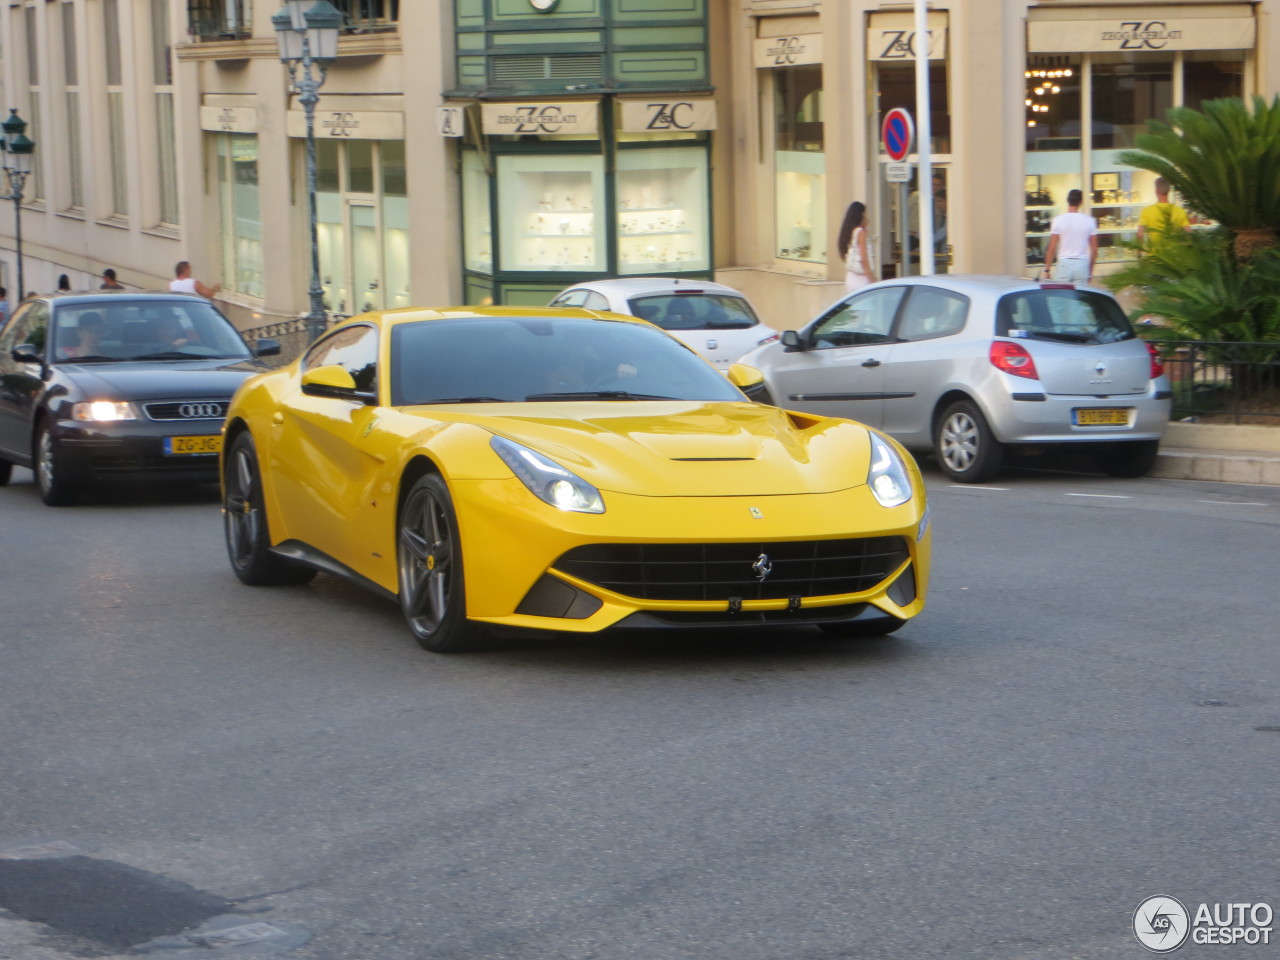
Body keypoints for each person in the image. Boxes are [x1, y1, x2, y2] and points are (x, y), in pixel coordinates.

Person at [1043, 188, 1097, 284]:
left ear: (1067, 201)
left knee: (1061, 296)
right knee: (1080, 297)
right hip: (1082, 263)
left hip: (1064, 262)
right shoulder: (1089, 221)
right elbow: (1094, 249)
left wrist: (1047, 269)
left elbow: (1052, 246)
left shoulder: (1058, 220)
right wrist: (1090, 271)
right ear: (1081, 202)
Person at [1137, 177, 1190, 254]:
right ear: (1168, 191)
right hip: (1175, 257)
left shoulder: (1146, 211)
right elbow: (1188, 232)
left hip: (1155, 257)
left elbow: (1140, 234)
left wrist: (1139, 254)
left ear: (1156, 191)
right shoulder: (1180, 211)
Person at [837, 201, 874, 294]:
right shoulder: (861, 232)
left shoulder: (849, 231)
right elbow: (864, 260)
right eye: (865, 214)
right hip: (861, 279)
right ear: (861, 215)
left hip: (851, 278)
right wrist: (873, 282)